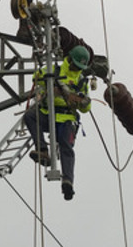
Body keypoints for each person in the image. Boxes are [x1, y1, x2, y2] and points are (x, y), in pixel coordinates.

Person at [24, 45, 92, 201]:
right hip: (48, 113)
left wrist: (78, 100)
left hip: (66, 118)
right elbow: (36, 77)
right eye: (75, 64)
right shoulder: (54, 70)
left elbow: (87, 107)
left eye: (80, 66)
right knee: (30, 116)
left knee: (65, 146)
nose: (76, 68)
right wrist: (49, 87)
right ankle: (42, 150)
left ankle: (68, 181)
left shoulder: (81, 80)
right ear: (69, 59)